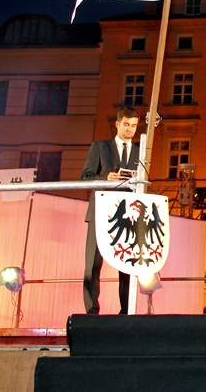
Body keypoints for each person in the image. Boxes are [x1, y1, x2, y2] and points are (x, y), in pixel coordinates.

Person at [81, 106, 140, 314]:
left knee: (126, 266)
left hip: (126, 214)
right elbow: (85, 178)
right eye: (126, 125)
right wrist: (104, 178)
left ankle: (126, 311)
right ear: (117, 124)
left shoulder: (141, 151)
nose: (130, 129)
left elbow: (145, 182)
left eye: (133, 126)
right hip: (100, 211)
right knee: (93, 265)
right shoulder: (100, 146)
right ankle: (91, 311)